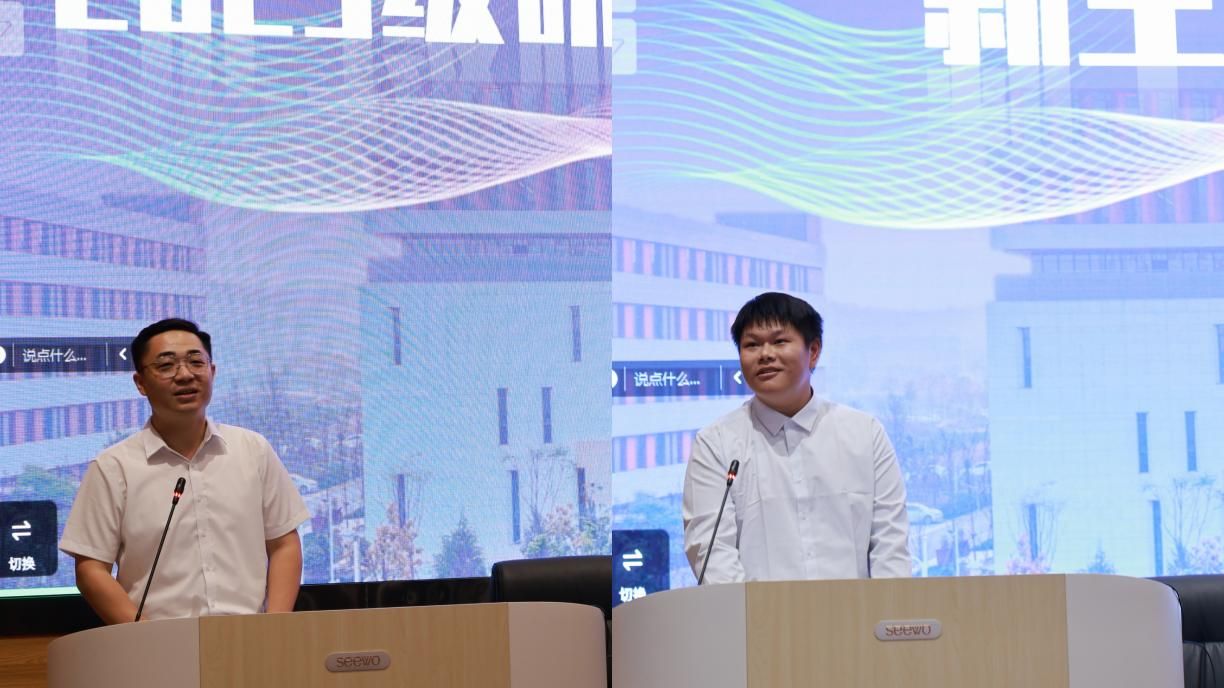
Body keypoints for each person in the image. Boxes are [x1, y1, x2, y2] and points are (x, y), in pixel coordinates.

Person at [59, 318, 309, 623]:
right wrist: (144, 635)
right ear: (140, 383)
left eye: (196, 362)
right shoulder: (114, 467)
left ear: (212, 371)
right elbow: (91, 568)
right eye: (166, 366)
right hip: (158, 642)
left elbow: (284, 543)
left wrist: (274, 627)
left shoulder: (252, 449)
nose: (185, 375)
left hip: (249, 638)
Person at [682, 292, 910, 583]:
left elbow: (890, 545)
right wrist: (757, 612)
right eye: (752, 345)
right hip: (756, 613)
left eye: (779, 341)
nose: (765, 354)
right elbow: (712, 555)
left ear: (813, 351)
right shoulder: (716, 443)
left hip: (857, 612)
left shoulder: (865, 433)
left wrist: (885, 610)